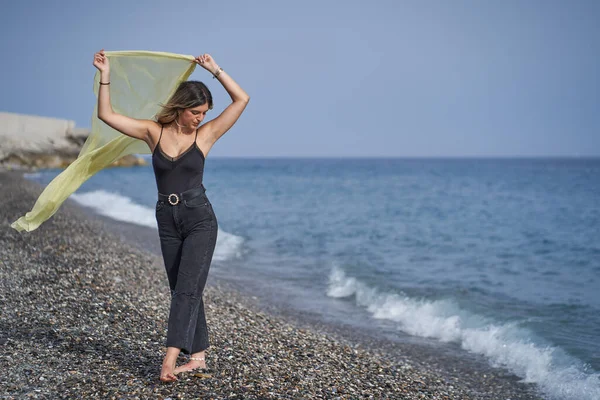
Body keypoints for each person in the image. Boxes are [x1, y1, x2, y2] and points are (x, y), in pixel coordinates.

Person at [92, 49, 250, 382]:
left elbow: (241, 99)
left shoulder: (205, 135)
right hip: (167, 217)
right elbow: (107, 114)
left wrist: (215, 70)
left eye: (205, 113)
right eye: (195, 112)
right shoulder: (154, 133)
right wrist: (105, 74)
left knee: (186, 291)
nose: (200, 118)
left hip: (199, 219)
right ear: (179, 109)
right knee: (182, 287)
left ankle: (169, 361)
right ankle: (199, 356)